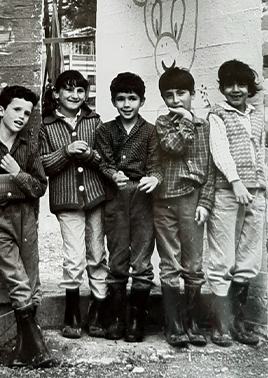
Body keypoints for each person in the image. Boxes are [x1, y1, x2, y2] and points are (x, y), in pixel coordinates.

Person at [0, 85, 57, 368]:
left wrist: (17, 173)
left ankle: (23, 350)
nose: (21, 116)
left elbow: (40, 187)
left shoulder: (28, 148)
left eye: (27, 113)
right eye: (16, 110)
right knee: (17, 281)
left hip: (25, 218)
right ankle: (41, 349)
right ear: (1, 111)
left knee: (32, 283)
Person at [37, 70, 111, 339]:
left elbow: (105, 159)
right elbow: (43, 165)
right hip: (67, 201)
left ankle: (98, 310)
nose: (75, 95)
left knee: (97, 255)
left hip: (95, 197)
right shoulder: (46, 126)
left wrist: (90, 155)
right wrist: (66, 152)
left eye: (80, 90)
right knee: (74, 257)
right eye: (68, 90)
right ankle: (72, 312)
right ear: (56, 94)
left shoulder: (95, 120)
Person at [198, 59, 267, 347]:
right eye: (229, 85)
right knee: (222, 260)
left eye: (241, 85)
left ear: (250, 88)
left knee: (249, 259)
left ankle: (239, 324)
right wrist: (236, 181)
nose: (235, 90)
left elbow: (260, 151)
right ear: (222, 88)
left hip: (256, 193)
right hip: (228, 192)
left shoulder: (257, 116)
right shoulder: (218, 115)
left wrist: (260, 186)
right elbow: (220, 151)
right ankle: (221, 325)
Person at [93, 71, 159, 342]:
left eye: (132, 98)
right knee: (118, 258)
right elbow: (103, 161)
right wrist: (113, 174)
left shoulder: (150, 131)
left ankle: (136, 322)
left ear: (142, 101)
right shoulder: (105, 130)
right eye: (121, 99)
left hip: (143, 198)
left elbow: (156, 164)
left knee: (141, 260)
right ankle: (117, 319)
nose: (127, 104)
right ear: (113, 101)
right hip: (116, 197)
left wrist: (154, 178)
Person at [151, 66, 212, 348]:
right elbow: (173, 147)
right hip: (165, 201)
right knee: (170, 262)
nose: (175, 100)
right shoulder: (162, 124)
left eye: (181, 93)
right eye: (169, 95)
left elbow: (211, 170)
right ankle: (173, 324)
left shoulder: (205, 127)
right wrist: (185, 122)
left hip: (193, 200)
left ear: (193, 93)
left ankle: (192, 322)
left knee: (194, 264)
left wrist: (206, 202)